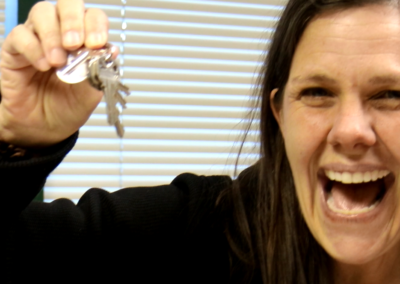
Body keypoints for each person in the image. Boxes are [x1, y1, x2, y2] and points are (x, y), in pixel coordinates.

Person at [4, 0, 400, 283]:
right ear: (281, 115)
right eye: (316, 92)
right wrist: (18, 139)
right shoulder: (203, 231)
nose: (350, 131)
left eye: (391, 95)